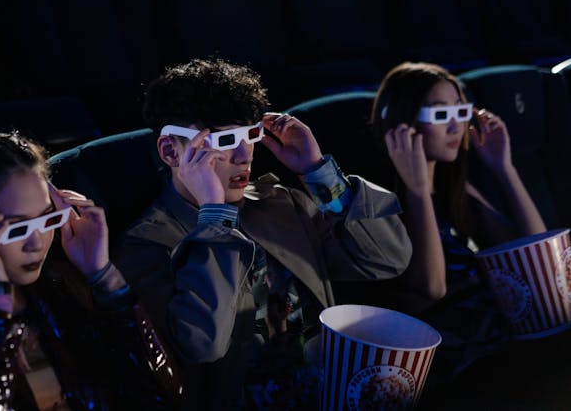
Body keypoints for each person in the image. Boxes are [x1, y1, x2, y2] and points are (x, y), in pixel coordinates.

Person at [113, 58, 413, 410]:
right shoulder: (146, 243)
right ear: (170, 151)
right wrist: (215, 217)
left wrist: (319, 173)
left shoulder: (280, 204)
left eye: (250, 135)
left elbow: (388, 260)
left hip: (332, 388)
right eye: (225, 141)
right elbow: (201, 345)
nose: (245, 157)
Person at [0, 131, 182, 410]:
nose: (37, 243)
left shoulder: (63, 285)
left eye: (46, 221)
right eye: (18, 228)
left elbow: (164, 395)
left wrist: (104, 276)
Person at [369, 62, 547, 378]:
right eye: (440, 115)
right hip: (458, 359)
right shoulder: (381, 204)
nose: (455, 127)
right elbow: (432, 288)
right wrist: (419, 192)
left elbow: (535, 257)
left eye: (460, 112)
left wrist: (504, 169)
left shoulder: (455, 190)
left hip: (500, 337)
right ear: (403, 124)